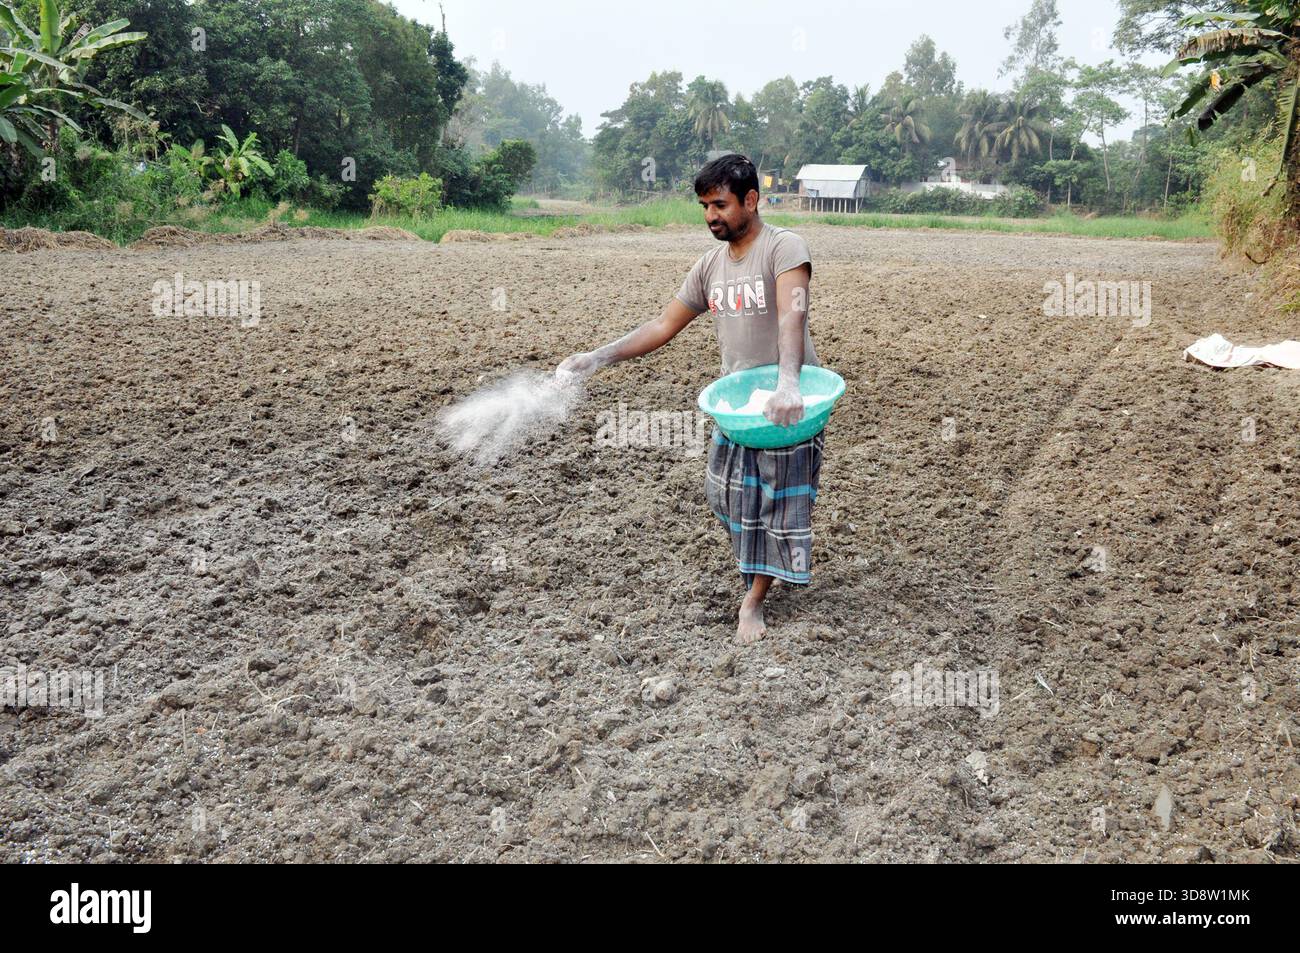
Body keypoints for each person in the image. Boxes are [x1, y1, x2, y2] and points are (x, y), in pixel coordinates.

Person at [557, 153, 824, 645]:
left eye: (719, 205)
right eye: (703, 206)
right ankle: (763, 565)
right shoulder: (709, 266)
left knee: (774, 506)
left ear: (751, 199)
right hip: (737, 405)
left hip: (788, 407)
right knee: (724, 498)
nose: (710, 217)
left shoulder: (784, 248)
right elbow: (663, 324)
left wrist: (789, 384)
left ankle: (754, 601)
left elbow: (794, 314)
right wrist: (596, 357)